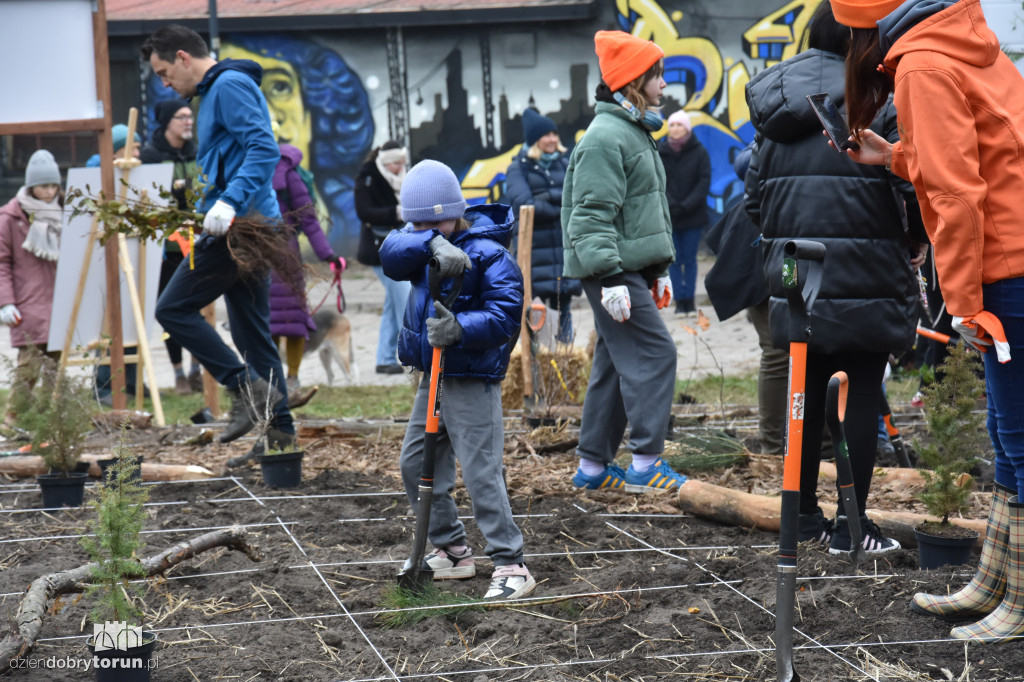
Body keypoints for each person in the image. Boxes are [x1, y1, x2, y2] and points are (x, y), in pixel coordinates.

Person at [834, 0, 1024, 642]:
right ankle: (997, 581)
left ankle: (1020, 603)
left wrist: (966, 303)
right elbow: (982, 156)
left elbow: (957, 194)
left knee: (1021, 438)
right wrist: (896, 158)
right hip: (1013, 253)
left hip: (1009, 265)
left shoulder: (921, 65)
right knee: (1004, 433)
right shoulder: (961, 40)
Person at [744, 2, 926, 554]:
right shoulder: (879, 104)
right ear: (860, 43)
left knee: (804, 389)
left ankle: (799, 519)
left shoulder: (776, 110)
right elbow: (910, 187)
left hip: (799, 274)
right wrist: (916, 242)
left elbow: (754, 201)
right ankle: (852, 528)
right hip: (868, 276)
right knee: (860, 391)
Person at [379, 159, 534, 599]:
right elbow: (390, 253)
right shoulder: (424, 245)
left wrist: (461, 328)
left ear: (456, 211)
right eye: (417, 222)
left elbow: (504, 317)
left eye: (435, 220)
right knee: (415, 463)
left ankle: (511, 563)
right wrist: (429, 239)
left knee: (482, 469)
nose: (425, 228)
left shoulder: (490, 254)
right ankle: (452, 550)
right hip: (434, 375)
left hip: (470, 375)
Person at [142, 24, 293, 447]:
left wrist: (228, 202)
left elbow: (264, 148)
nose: (165, 83)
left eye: (164, 72)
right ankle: (283, 447)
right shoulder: (211, 94)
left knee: (172, 309)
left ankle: (242, 386)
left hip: (242, 228)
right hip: (245, 225)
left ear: (183, 58)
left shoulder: (228, 86)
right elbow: (231, 158)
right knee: (251, 337)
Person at [562, 30, 687, 494]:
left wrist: (656, 270)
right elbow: (591, 215)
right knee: (656, 354)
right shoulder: (606, 137)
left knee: (615, 363)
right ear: (634, 81)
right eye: (657, 75)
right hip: (607, 269)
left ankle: (593, 468)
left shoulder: (630, 130)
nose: (662, 84)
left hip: (622, 267)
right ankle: (646, 464)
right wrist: (611, 277)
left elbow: (638, 214)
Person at [704, 140, 787, 455]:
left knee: (793, 354)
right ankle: (772, 444)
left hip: (787, 247)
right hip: (762, 266)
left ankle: (809, 446)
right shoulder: (772, 140)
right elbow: (745, 164)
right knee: (778, 353)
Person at [140, 97, 203, 395]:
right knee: (169, 309)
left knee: (198, 307)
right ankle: (178, 372)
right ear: (167, 122)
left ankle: (196, 369)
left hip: (198, 244)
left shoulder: (197, 153)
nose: (188, 121)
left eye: (190, 116)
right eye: (181, 116)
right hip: (166, 249)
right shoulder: (152, 156)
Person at [270, 139, 343, 392]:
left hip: (284, 259)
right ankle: (272, 376)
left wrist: (328, 255)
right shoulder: (244, 165)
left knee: (290, 320)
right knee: (263, 320)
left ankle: (291, 376)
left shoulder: (286, 171)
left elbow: (308, 219)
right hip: (255, 257)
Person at [504, 108, 580, 343]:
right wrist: (560, 207)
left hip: (562, 251)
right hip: (535, 255)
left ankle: (565, 360)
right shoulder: (518, 168)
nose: (552, 139)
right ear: (534, 140)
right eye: (546, 135)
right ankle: (541, 362)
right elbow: (524, 205)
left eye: (554, 134)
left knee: (564, 308)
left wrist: (545, 198)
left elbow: (577, 196)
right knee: (537, 313)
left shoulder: (565, 164)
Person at [0, 150, 63, 427]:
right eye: (43, 186)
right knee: (28, 368)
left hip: (58, 302)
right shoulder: (9, 218)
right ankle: (13, 422)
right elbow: (1, 263)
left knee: (55, 370)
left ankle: (46, 424)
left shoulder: (65, 213)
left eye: (53, 185)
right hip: (27, 305)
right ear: (30, 185)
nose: (49, 192)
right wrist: (5, 302)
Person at [354, 141, 412, 374]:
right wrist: (395, 212)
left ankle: (384, 358)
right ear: (387, 162)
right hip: (379, 250)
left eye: (402, 163)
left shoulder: (405, 177)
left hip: (400, 245)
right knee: (405, 300)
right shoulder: (368, 177)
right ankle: (413, 354)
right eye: (396, 163)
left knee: (392, 303)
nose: (401, 167)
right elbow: (363, 211)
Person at [658, 109, 711, 317]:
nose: (675, 129)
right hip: (670, 216)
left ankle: (689, 300)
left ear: (687, 127)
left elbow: (703, 181)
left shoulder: (700, 152)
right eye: (672, 125)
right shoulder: (661, 152)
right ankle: (678, 301)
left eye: (679, 125)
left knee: (689, 259)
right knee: (674, 259)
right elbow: (659, 182)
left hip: (693, 216)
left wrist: (686, 205)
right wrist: (672, 204)